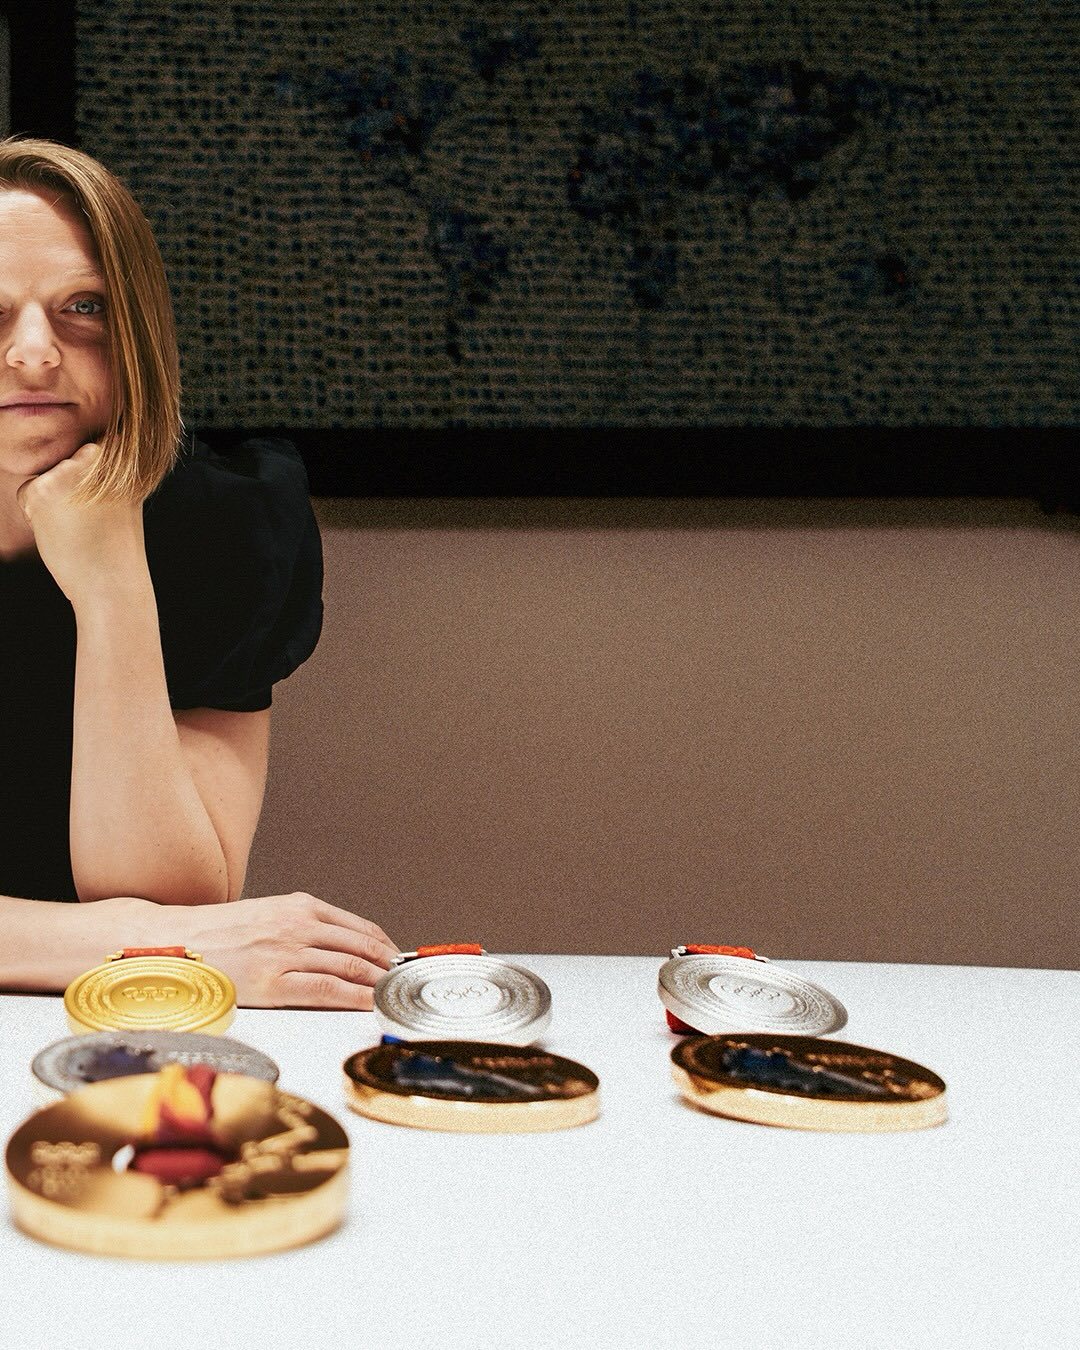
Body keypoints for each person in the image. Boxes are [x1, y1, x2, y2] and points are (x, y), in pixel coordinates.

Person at [0, 136, 398, 1005]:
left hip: (112, 1027)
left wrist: (110, 583)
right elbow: (176, 932)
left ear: (137, 333)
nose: (34, 353)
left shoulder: (221, 525)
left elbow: (172, 896)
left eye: (84, 307)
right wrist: (140, 943)